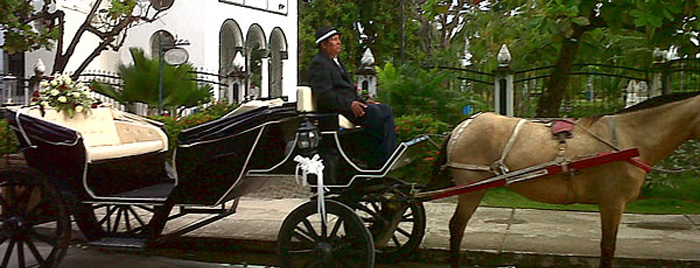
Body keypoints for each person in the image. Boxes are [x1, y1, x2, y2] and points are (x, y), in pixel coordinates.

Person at [308, 26, 397, 168]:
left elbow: (347, 91)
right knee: (377, 113)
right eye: (334, 40)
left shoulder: (336, 62)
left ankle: (388, 158)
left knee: (384, 109)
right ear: (324, 45)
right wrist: (350, 104)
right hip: (336, 110)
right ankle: (377, 162)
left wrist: (364, 101)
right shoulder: (319, 64)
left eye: (339, 39)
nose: (339, 43)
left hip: (347, 106)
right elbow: (325, 95)